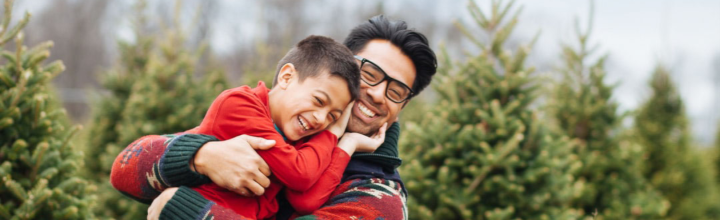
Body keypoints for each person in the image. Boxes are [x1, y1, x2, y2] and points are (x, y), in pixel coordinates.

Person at [110, 15, 437, 220]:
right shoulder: (276, 129)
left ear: (400, 108)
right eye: (370, 73)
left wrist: (180, 208)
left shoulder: (380, 202)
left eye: (396, 91)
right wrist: (201, 157)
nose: (378, 94)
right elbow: (125, 169)